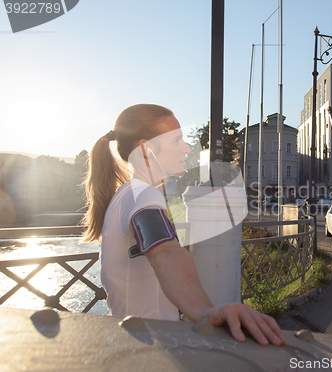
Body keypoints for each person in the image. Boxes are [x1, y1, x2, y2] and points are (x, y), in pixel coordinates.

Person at [81, 104, 285, 347]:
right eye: (176, 140)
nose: (187, 148)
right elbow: (164, 251)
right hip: (152, 349)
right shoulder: (142, 193)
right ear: (146, 149)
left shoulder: (129, 194)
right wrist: (204, 312)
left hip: (136, 343)